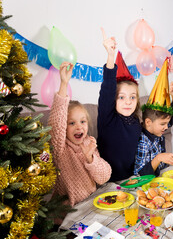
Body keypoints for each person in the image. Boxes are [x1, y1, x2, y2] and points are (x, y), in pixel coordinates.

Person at [49, 62, 112, 206]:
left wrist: (90, 157)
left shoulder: (88, 144)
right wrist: (64, 83)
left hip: (91, 205)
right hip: (67, 212)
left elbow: (104, 177)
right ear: (64, 128)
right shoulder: (60, 148)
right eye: (72, 123)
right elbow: (56, 122)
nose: (79, 127)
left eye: (83, 122)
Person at [97, 28, 142, 182]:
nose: (128, 101)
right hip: (107, 182)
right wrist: (111, 56)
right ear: (113, 100)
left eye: (132, 97)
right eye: (121, 97)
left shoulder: (136, 122)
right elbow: (108, 90)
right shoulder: (107, 119)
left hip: (130, 180)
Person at [134, 58, 173, 176]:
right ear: (148, 122)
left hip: (163, 174)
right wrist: (159, 158)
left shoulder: (157, 127)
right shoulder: (143, 141)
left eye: (167, 123)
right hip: (148, 180)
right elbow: (141, 173)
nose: (166, 127)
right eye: (163, 124)